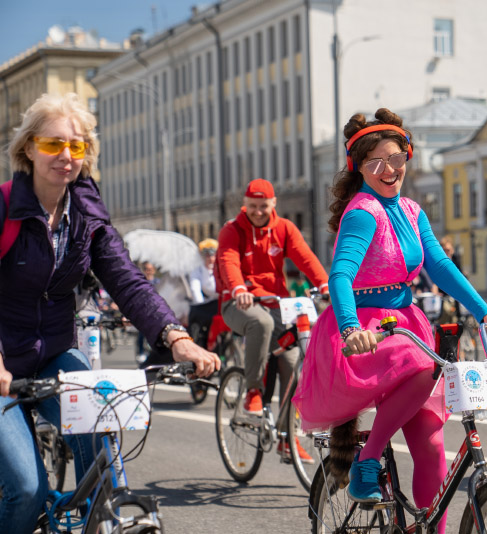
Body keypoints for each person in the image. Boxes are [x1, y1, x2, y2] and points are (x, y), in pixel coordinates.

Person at [0, 93, 219, 534]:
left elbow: (127, 281)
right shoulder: (4, 207)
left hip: (55, 354)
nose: (65, 156)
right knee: (26, 489)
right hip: (3, 362)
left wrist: (177, 337)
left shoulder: (87, 215)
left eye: (76, 147)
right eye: (52, 144)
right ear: (28, 148)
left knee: (104, 453)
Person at [291, 109, 487, 523]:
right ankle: (368, 459)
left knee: (431, 442)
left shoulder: (413, 210)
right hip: (367, 330)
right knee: (423, 368)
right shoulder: (363, 212)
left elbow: (441, 266)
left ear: (407, 157)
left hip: (405, 321)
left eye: (396, 157)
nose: (389, 169)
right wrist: (350, 329)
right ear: (359, 168)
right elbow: (340, 275)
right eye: (376, 162)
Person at [216, 178, 329, 419]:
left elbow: (305, 258)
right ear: (245, 203)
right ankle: (253, 390)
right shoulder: (232, 230)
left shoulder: (284, 228)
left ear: (273, 203)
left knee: (292, 361)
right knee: (261, 323)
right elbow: (228, 263)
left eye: (263, 206)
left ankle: (287, 437)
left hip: (277, 303)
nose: (258, 212)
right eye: (253, 206)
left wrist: (325, 284)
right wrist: (238, 289)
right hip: (239, 302)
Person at [187, 238, 219, 351]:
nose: (210, 259)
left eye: (213, 255)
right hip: (206, 304)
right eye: (207, 256)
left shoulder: (221, 267)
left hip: (221, 302)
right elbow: (195, 288)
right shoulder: (198, 271)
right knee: (196, 316)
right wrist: (199, 302)